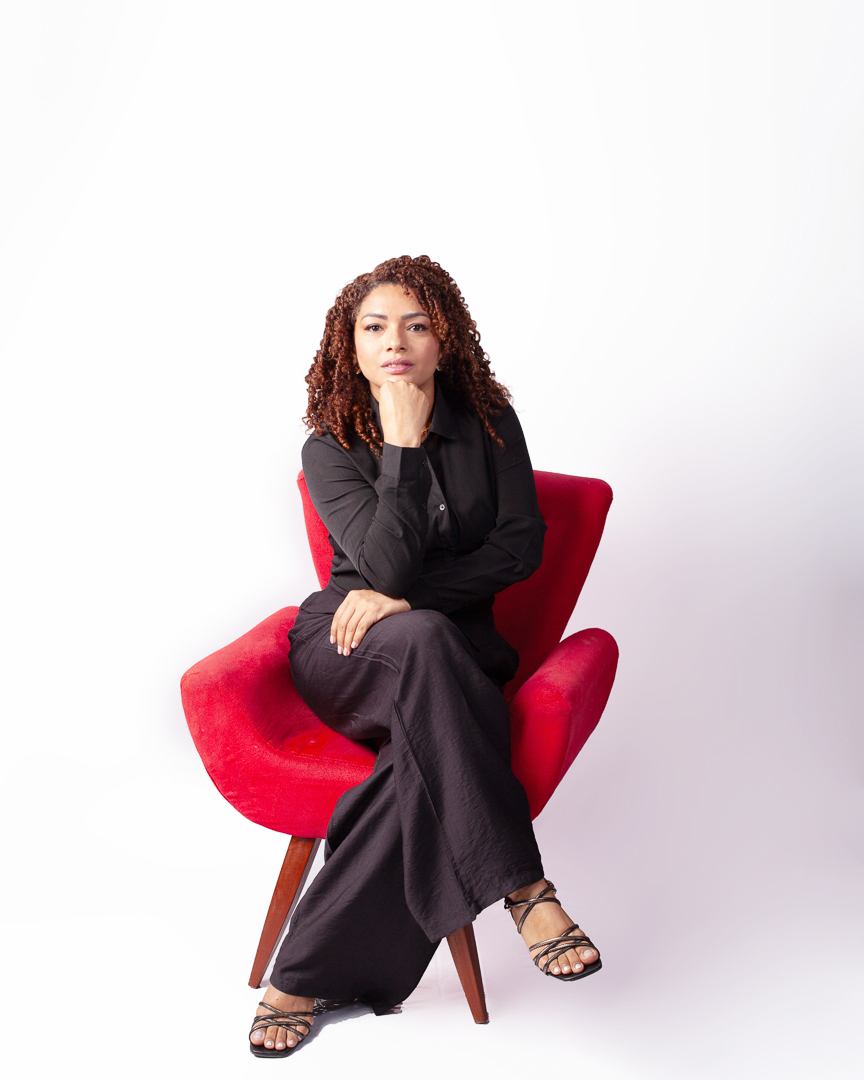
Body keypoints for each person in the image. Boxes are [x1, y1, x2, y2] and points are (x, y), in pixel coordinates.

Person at [248, 256, 601, 1057]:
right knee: (425, 640)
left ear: (446, 339)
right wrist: (402, 446)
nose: (395, 342)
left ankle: (299, 976)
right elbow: (377, 573)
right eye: (374, 327)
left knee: (417, 732)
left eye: (415, 325)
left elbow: (520, 549)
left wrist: (412, 601)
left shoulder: (492, 424)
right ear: (350, 347)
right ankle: (525, 888)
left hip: (448, 650)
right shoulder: (330, 447)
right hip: (347, 645)